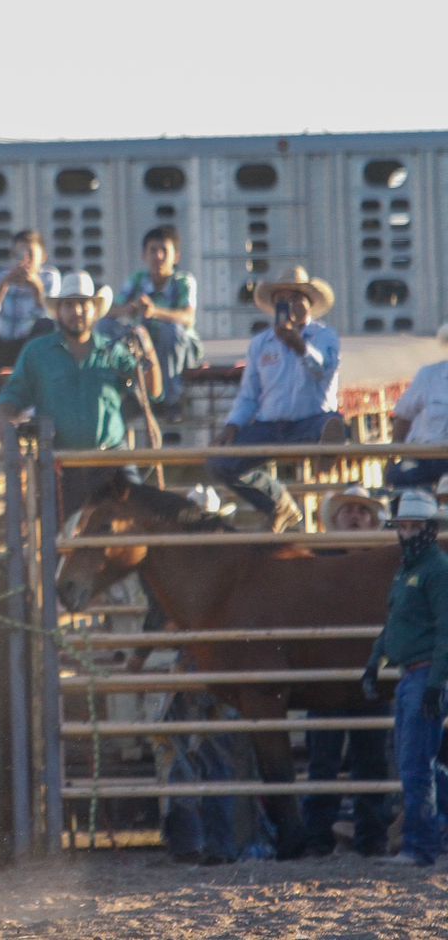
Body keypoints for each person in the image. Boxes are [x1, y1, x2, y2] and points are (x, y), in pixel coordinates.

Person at [0, 271, 162, 518]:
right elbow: (12, 396)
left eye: (84, 304)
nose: (77, 311)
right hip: (61, 463)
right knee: (59, 538)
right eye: (69, 305)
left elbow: (153, 392)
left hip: (112, 459)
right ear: (59, 311)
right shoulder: (38, 353)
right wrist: (8, 421)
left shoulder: (113, 351)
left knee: (138, 521)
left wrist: (147, 349)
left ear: (94, 310)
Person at [207, 265, 345, 532]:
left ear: (308, 304)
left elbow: (323, 370)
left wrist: (298, 344)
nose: (288, 304)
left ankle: (327, 447)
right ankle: (276, 503)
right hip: (269, 425)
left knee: (331, 424)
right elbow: (250, 394)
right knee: (219, 464)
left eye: (295, 298)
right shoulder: (261, 343)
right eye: (282, 299)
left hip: (312, 419)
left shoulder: (324, 336)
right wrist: (233, 425)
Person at [301, 485, 391, 857]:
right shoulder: (316, 561)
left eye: (362, 511)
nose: (355, 516)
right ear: (334, 520)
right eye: (348, 511)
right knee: (324, 758)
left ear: (373, 520)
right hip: (329, 675)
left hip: (372, 673)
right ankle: (319, 837)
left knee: (370, 758)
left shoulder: (387, 562)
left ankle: (370, 838)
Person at [360, 488, 448, 866]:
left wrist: (435, 684)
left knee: (416, 764)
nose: (408, 532)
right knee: (419, 762)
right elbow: (394, 623)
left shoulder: (435, 570)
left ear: (428, 529)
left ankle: (421, 847)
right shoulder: (413, 570)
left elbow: (446, 630)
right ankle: (424, 840)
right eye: (404, 526)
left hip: (425, 674)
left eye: (414, 526)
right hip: (413, 675)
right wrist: (375, 660)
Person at [97, 224, 203, 418]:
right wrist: (128, 309)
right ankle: (126, 392)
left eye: (164, 250)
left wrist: (155, 312)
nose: (158, 256)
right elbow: (109, 312)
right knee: (106, 327)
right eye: (153, 250)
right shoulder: (137, 280)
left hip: (179, 349)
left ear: (176, 257)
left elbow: (188, 317)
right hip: (144, 346)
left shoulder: (183, 282)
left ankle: (170, 400)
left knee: (171, 331)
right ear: (144, 255)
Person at [0, 230, 59, 432]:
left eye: (30, 255)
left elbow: (51, 317)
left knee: (45, 326)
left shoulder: (50, 278)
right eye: (19, 256)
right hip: (4, 344)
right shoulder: (1, 277)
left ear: (43, 257)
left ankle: (31, 400)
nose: (24, 261)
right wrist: (4, 285)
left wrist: (36, 288)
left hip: (30, 346)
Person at [386, 321, 448, 490]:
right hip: (424, 459)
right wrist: (391, 459)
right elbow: (403, 418)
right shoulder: (429, 375)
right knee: (401, 479)